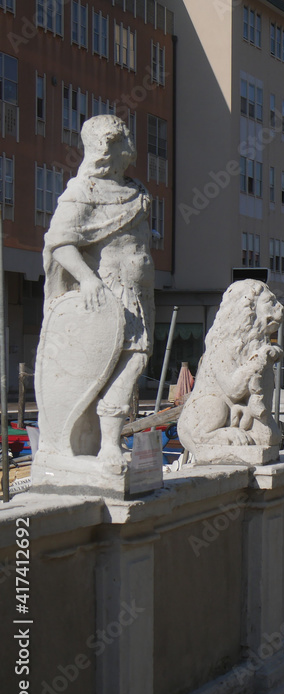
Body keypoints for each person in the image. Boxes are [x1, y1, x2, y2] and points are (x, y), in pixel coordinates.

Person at [35, 115, 154, 472]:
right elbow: (59, 243)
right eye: (124, 140)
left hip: (139, 294)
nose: (130, 147)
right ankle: (107, 448)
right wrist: (87, 279)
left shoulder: (137, 192)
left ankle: (109, 445)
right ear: (107, 147)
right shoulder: (82, 191)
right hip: (107, 298)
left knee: (136, 359)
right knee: (127, 362)